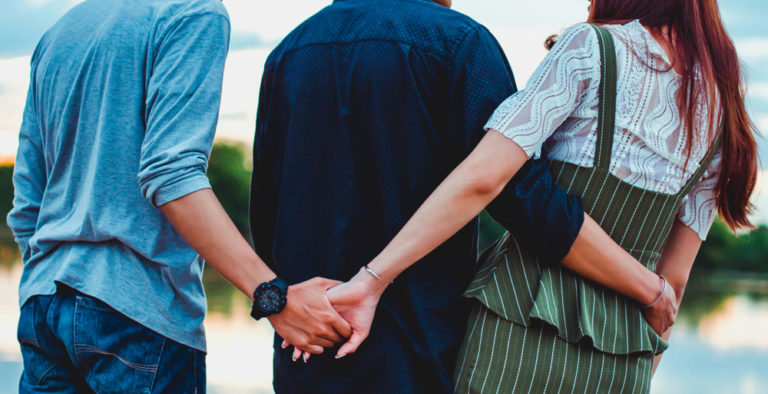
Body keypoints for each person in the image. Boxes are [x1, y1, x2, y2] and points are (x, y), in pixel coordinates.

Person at [328, 0, 759, 392]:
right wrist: (639, 370)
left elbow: (484, 178)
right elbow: (673, 284)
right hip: (625, 356)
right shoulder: (721, 110)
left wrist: (372, 280)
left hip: (518, 322)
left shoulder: (590, 47)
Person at [252, 0, 676, 392]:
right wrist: (646, 287)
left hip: (308, 347)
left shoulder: (290, 50)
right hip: (420, 351)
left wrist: (284, 304)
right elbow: (519, 194)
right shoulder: (460, 44)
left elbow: (266, 213)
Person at [9, 0, 350, 392]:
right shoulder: (192, 11)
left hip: (43, 308)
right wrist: (274, 297)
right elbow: (170, 172)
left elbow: (27, 206)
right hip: (136, 316)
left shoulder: (60, 33)